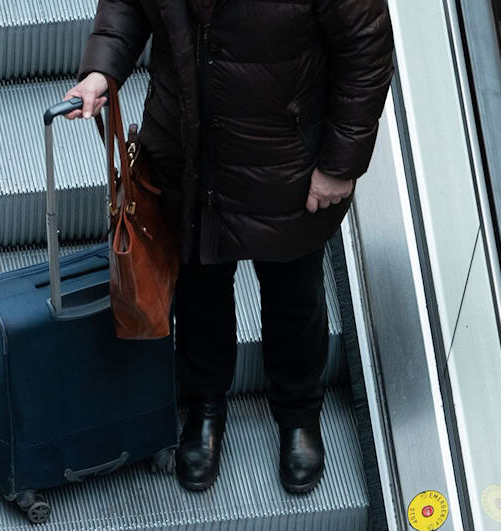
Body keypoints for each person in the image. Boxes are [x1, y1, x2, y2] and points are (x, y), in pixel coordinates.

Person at [64, 0, 394, 493]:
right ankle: (206, 409)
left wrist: (339, 164)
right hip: (187, 151)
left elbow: (367, 51)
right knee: (200, 290)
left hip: (286, 161)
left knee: (294, 296)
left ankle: (299, 415)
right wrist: (102, 68)